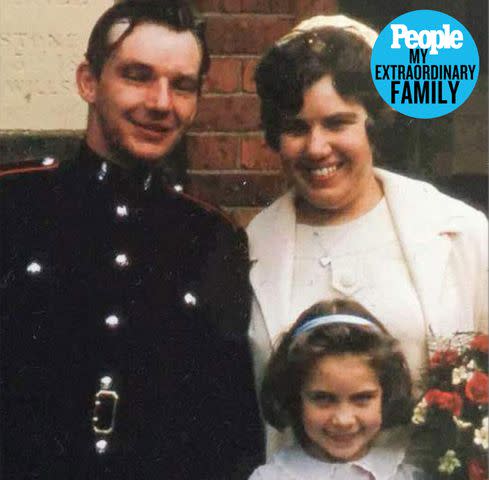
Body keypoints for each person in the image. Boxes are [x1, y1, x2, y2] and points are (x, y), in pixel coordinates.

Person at [0, 1, 263, 478]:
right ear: (88, 82)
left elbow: (230, 425)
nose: (161, 103)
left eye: (182, 85)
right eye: (138, 76)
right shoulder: (13, 206)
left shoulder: (211, 237)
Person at [247, 15, 488, 455]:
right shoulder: (250, 247)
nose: (317, 147)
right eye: (297, 128)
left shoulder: (460, 233)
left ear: (373, 126)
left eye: (338, 123)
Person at [249, 299, 429, 480]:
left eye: (362, 398)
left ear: (385, 394)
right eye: (323, 398)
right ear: (296, 397)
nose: (343, 420)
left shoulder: (407, 475)